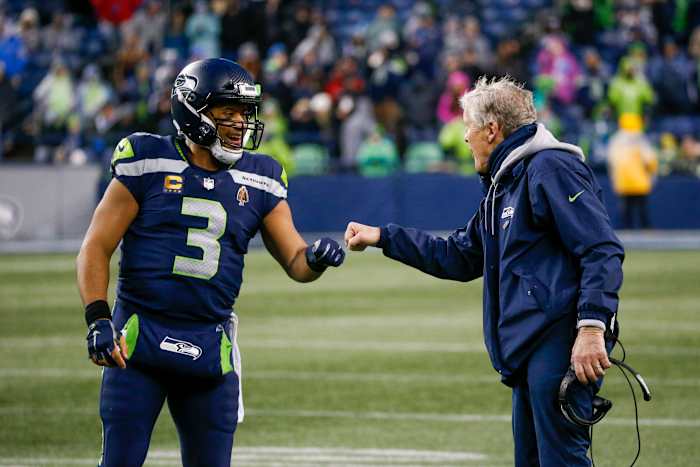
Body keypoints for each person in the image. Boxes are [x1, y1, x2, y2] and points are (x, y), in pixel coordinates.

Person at [76, 58, 345, 467]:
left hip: (209, 345)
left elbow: (295, 260)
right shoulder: (148, 159)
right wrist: (98, 317)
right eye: (228, 113)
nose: (240, 124)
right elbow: (96, 246)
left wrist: (317, 258)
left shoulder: (261, 177)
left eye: (244, 114)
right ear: (192, 112)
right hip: (137, 340)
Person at [345, 76, 624, 467]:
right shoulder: (505, 183)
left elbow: (601, 248)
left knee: (562, 461)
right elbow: (459, 255)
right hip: (530, 349)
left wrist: (592, 327)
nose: (465, 139)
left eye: (468, 129)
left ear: (492, 130)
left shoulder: (550, 168)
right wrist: (383, 237)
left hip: (559, 342)